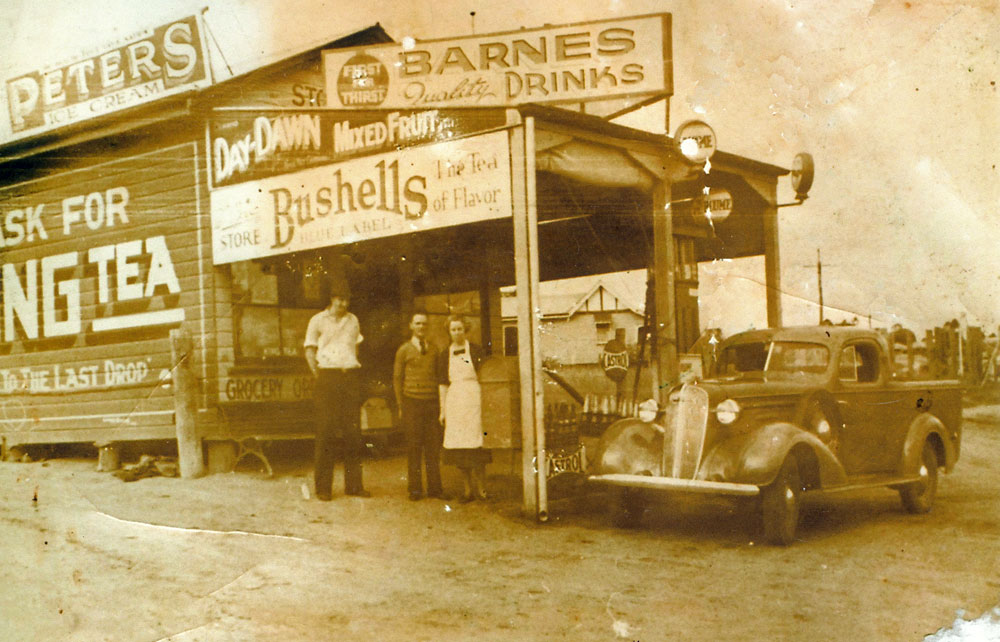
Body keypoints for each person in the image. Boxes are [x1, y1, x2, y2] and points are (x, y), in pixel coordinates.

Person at [304, 284, 369, 501]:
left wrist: (347, 368)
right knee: (325, 432)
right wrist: (322, 376)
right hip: (327, 378)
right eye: (339, 299)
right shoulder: (317, 320)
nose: (343, 304)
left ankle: (354, 486)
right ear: (332, 299)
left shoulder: (353, 320)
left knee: (353, 433)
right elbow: (310, 351)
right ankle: (323, 488)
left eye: (346, 300)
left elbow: (355, 348)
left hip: (349, 377)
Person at [437, 315, 491, 502]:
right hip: (455, 401)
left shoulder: (476, 350)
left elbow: (486, 377)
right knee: (460, 449)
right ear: (449, 332)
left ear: (465, 330)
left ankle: (482, 489)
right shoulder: (445, 354)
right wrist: (443, 411)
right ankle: (467, 490)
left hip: (474, 397)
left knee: (477, 445)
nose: (457, 332)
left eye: (460, 329)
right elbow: (443, 384)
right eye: (453, 329)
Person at [393, 312, 444, 501]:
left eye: (424, 324)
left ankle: (435, 489)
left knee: (433, 447)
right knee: (414, 447)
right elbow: (397, 378)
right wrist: (400, 404)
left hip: (431, 403)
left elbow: (440, 376)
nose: (421, 327)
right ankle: (414, 490)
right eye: (418, 324)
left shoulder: (434, 349)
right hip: (412, 402)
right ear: (411, 326)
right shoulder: (404, 350)